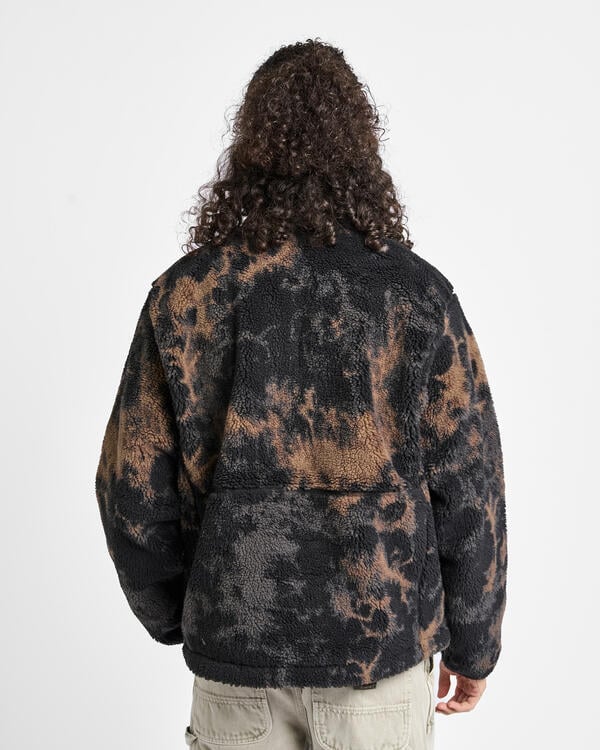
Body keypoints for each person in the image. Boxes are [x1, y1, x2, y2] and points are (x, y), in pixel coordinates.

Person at [94, 38, 508, 750]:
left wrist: (189, 614)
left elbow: (129, 488)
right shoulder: (417, 296)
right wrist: (475, 647)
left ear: (250, 148)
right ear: (361, 149)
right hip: (379, 673)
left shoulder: (187, 296)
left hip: (238, 672)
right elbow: (472, 489)